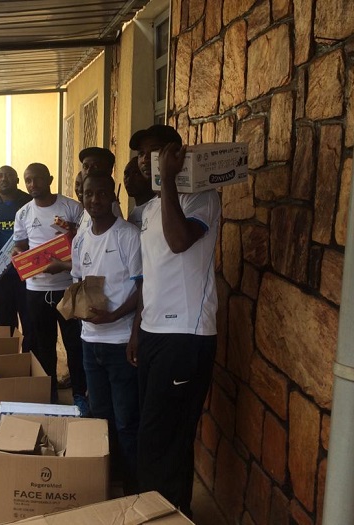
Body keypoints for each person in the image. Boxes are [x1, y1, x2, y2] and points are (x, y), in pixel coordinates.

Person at [127, 125, 220, 517]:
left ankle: (159, 514)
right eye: (140, 155)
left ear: (174, 155)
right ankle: (173, 512)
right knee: (158, 434)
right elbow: (150, 276)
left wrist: (167, 181)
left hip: (185, 335)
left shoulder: (202, 197)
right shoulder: (149, 209)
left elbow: (180, 241)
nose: (144, 162)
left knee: (162, 437)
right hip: (153, 333)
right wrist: (137, 331)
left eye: (153, 153)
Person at [71, 174, 141, 493]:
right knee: (100, 418)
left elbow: (144, 289)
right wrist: (76, 308)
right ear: (82, 198)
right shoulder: (81, 239)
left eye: (101, 193)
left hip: (120, 343)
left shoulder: (128, 236)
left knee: (126, 421)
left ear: (113, 196)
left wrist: (117, 319)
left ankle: (133, 489)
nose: (94, 200)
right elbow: (79, 282)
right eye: (89, 194)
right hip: (90, 343)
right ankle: (106, 482)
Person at [12, 162, 88, 415]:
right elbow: (20, 245)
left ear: (50, 179)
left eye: (37, 179)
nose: (32, 184)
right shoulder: (23, 213)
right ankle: (50, 394)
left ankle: (80, 395)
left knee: (74, 344)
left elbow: (86, 242)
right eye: (28, 180)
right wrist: (18, 254)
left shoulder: (72, 208)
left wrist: (69, 245)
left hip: (68, 287)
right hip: (36, 290)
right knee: (43, 345)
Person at [0, 165, 33, 351]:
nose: (4, 179)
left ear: (17, 180)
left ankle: (28, 362)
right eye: (0, 175)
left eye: (9, 175)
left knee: (30, 323)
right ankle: (9, 362)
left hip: (26, 276)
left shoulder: (29, 202)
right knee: (3, 326)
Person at [75, 147, 122, 235]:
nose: (89, 171)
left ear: (109, 170)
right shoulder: (88, 205)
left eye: (95, 166)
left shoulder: (109, 209)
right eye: (85, 166)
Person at [123, 156, 154, 228]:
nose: (129, 180)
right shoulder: (133, 213)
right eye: (126, 174)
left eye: (136, 174)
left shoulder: (157, 208)